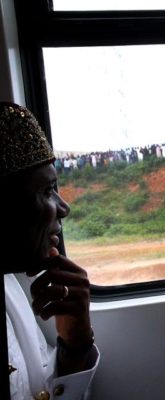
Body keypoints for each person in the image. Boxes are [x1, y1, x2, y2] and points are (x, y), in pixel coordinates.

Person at [0, 102, 99, 400]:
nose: (63, 208)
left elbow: (39, 392)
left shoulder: (10, 289)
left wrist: (76, 341)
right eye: (46, 191)